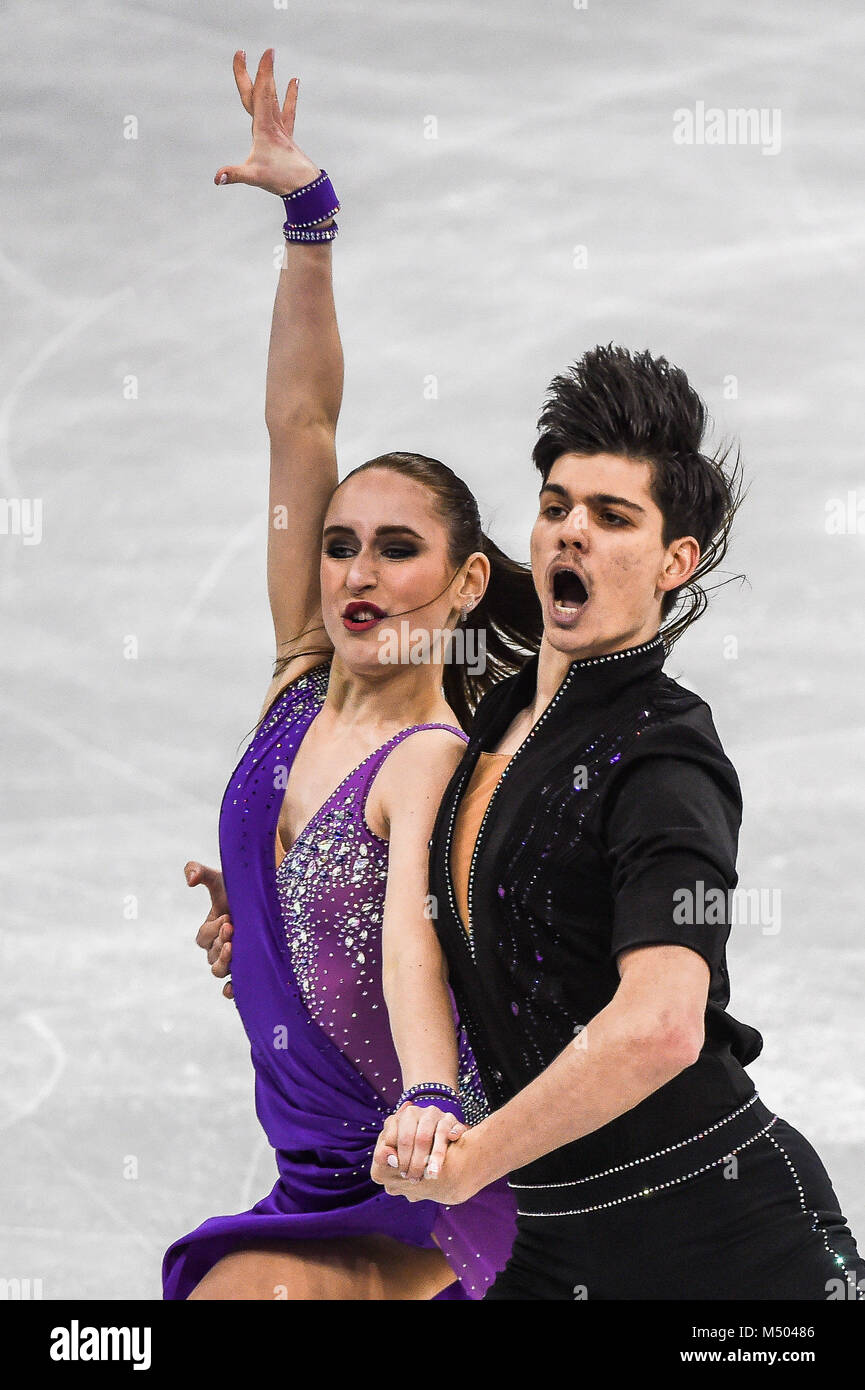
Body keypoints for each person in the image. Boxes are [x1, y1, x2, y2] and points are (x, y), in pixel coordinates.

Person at [162, 49, 541, 1301]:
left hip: (414, 1170)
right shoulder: (296, 680)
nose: (355, 572)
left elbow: (413, 945)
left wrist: (433, 1092)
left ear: (467, 580)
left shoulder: (428, 753)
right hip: (313, 1165)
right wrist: (308, 223)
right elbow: (302, 429)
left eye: (396, 548)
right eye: (336, 544)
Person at [373, 345, 865, 1301]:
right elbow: (426, 931)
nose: (570, 534)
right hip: (565, 1246)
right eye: (556, 507)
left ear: (674, 560)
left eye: (611, 516)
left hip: (732, 1250)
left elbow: (661, 1027)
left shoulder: (663, 755)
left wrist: (474, 1161)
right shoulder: (492, 725)